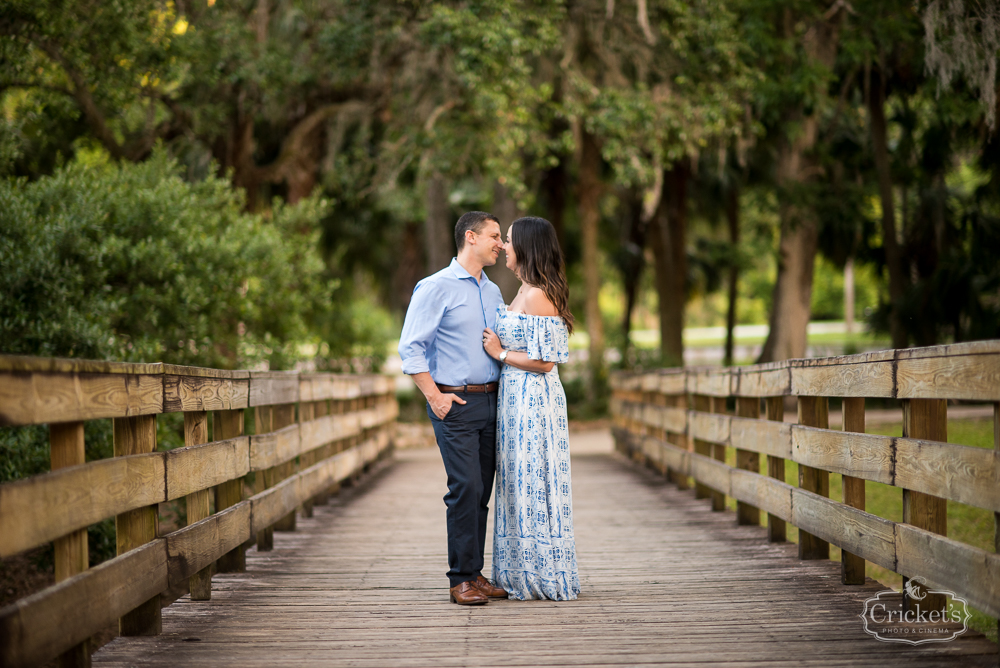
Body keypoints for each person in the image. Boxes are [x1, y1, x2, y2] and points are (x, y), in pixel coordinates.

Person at [397, 211, 511, 606]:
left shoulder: (493, 291)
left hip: (491, 401)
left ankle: (475, 574)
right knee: (464, 487)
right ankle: (460, 579)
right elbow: (410, 349)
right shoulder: (435, 287)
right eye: (495, 236)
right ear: (471, 237)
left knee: (481, 491)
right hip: (455, 402)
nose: (501, 243)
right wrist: (435, 396)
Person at [482, 216, 579, 601]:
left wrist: (500, 352)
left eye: (508, 240)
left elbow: (546, 361)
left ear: (526, 246)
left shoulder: (538, 294)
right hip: (515, 399)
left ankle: (541, 572)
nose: (504, 246)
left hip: (535, 401)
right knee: (517, 483)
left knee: (534, 481)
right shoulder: (524, 289)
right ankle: (518, 571)